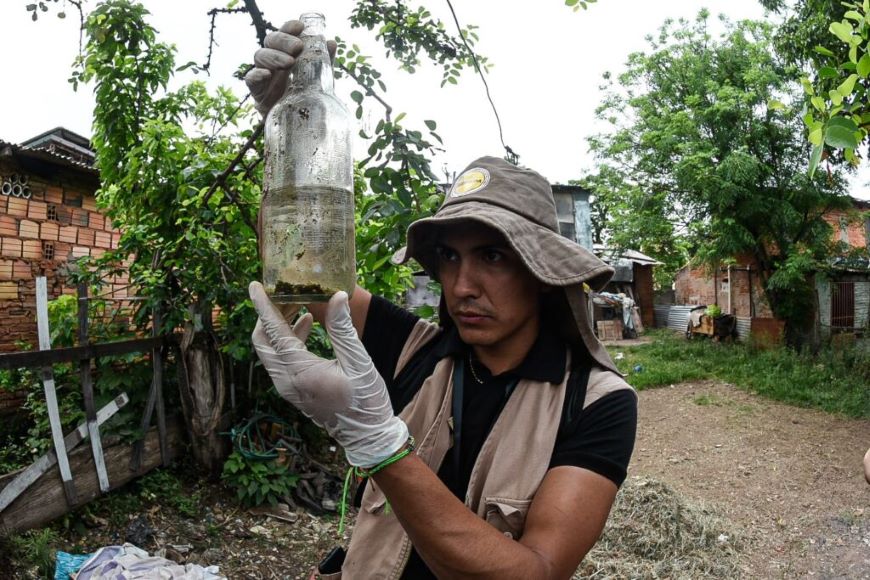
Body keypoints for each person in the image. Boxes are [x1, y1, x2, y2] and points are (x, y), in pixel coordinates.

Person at [245, 20, 637, 579]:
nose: (461, 285)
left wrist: (381, 445)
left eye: (493, 257)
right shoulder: (416, 351)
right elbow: (306, 269)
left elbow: (535, 571)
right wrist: (292, 125)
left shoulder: (596, 400)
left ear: (542, 273)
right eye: (449, 257)